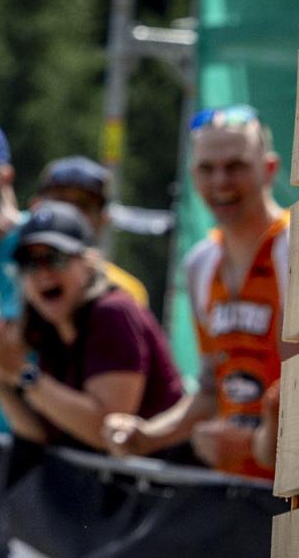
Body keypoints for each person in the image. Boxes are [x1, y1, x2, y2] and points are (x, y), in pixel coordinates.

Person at [105, 105, 290, 478]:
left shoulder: (291, 250)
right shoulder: (200, 264)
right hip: (239, 490)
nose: (221, 182)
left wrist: (257, 446)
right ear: (192, 175)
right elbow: (209, 390)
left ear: (269, 169)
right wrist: (147, 435)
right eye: (207, 168)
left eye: (236, 166)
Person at [0, 203, 182, 453]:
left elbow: (108, 434)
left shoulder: (114, 313)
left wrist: (22, 374)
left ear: (89, 262)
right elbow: (38, 434)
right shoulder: (44, 326)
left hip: (166, 474)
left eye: (55, 258)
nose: (43, 273)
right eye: (30, 263)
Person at [33, 156, 147, 307]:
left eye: (83, 206)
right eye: (60, 202)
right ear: (35, 206)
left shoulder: (125, 293)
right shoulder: (11, 272)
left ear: (103, 219)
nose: (71, 214)